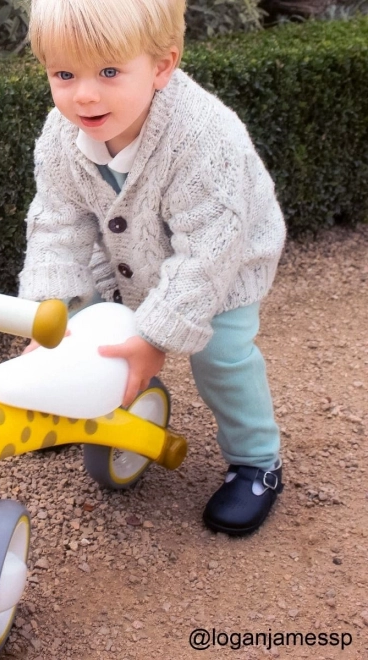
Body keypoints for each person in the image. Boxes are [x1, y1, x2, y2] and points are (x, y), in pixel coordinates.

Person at [18, 0, 287, 536]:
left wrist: (157, 336)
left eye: (109, 72)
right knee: (83, 328)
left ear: (162, 66)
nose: (85, 94)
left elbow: (209, 251)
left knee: (222, 356)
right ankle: (87, 402)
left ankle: (258, 462)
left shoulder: (202, 137)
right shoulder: (60, 134)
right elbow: (56, 224)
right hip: (122, 254)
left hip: (224, 261)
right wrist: (51, 315)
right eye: (64, 74)